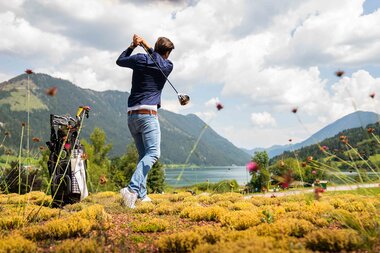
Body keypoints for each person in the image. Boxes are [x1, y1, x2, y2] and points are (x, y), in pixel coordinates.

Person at [116, 34, 174, 208]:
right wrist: (145, 46)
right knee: (153, 154)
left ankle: (142, 194)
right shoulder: (167, 65)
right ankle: (131, 189)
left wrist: (133, 46)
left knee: (144, 156)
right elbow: (158, 60)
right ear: (167, 53)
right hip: (148, 115)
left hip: (132, 116)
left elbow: (120, 60)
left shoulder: (141, 59)